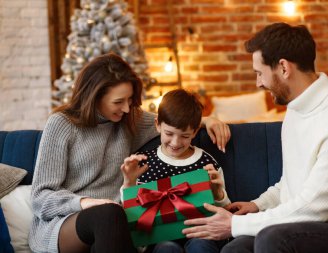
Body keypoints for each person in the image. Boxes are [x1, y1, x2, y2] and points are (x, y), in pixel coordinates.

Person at [183, 22, 328, 253]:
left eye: (259, 72)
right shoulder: (295, 110)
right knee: (235, 249)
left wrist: (235, 224)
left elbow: (314, 207)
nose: (258, 83)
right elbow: (291, 184)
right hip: (302, 224)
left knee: (272, 240)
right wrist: (257, 205)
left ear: (284, 68)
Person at [28, 53, 230, 253]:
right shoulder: (61, 124)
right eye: (118, 102)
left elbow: (170, 123)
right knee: (108, 214)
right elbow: (39, 196)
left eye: (130, 100)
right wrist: (85, 203)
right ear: (96, 95)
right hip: (64, 223)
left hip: (115, 225)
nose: (126, 108)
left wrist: (207, 120)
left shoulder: (128, 118)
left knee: (116, 218)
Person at [121, 88, 231, 253]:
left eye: (185, 136)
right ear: (157, 125)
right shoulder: (144, 163)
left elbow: (225, 211)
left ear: (195, 132)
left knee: (201, 245)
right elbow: (134, 216)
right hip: (158, 240)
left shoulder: (206, 163)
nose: (175, 142)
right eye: (169, 133)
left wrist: (218, 193)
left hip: (200, 234)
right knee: (167, 249)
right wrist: (129, 183)